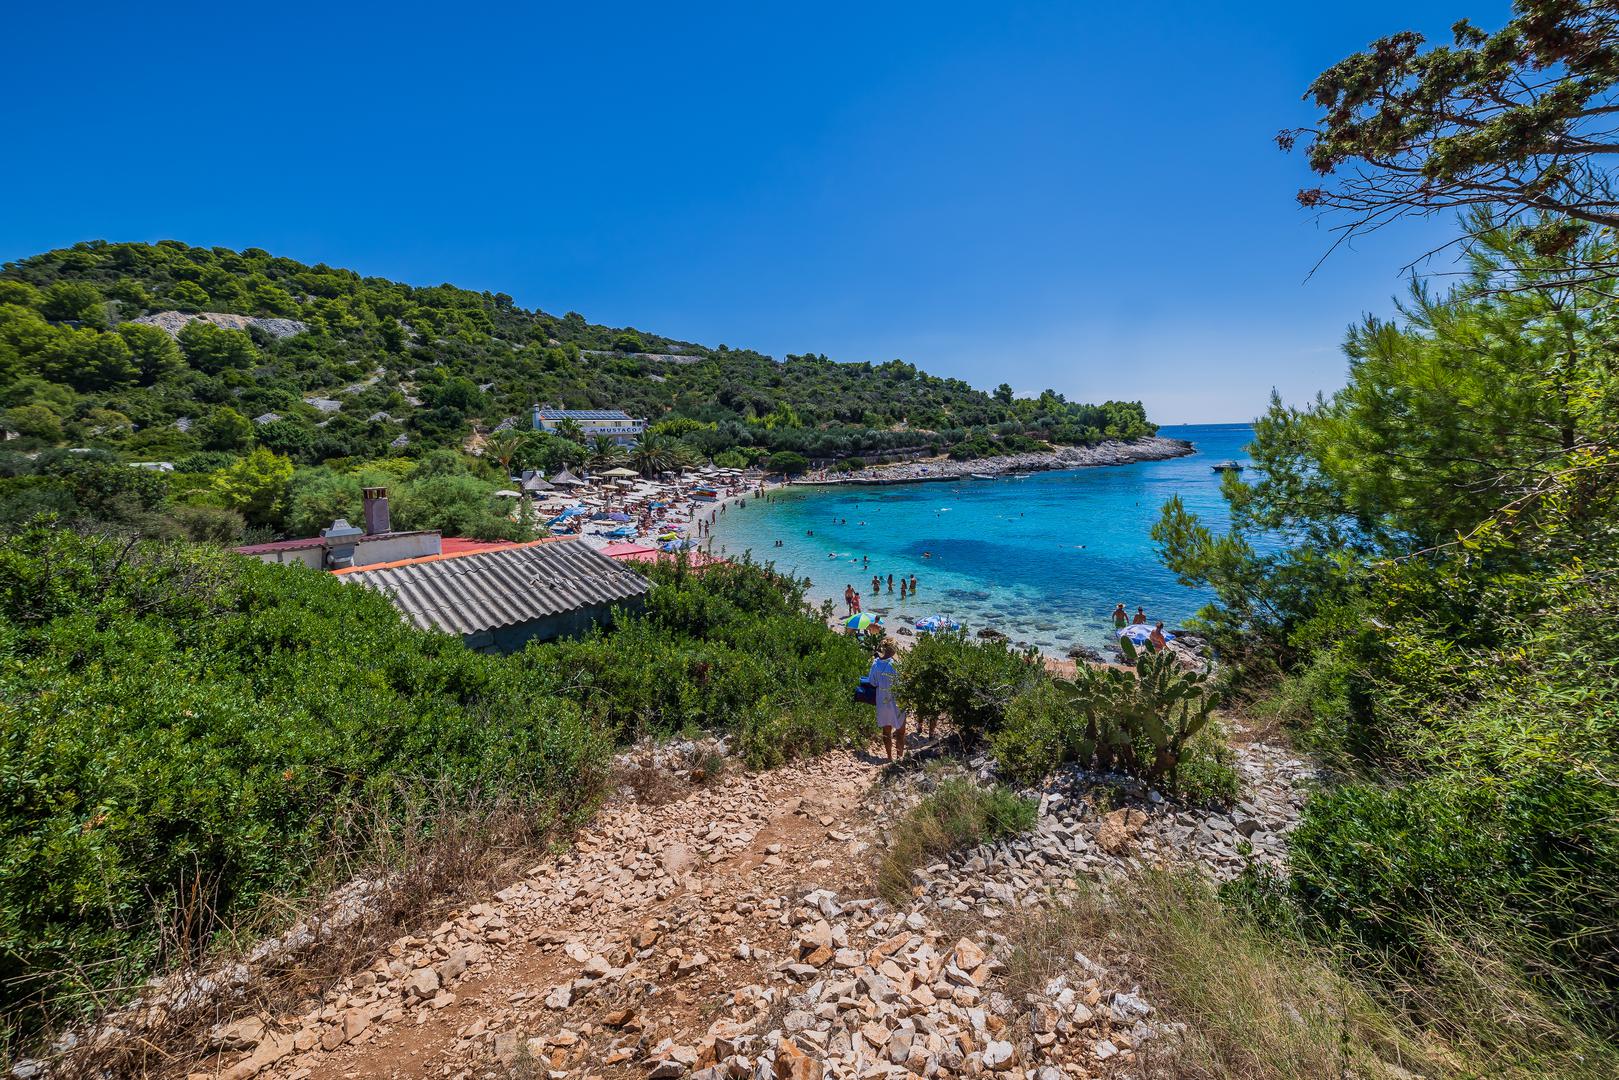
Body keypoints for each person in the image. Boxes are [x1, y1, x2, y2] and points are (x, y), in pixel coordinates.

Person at [869, 637, 907, 762]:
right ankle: (900, 757)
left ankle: (889, 757)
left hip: (882, 701)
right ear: (893, 650)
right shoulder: (897, 665)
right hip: (897, 701)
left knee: (886, 731)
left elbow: (872, 683)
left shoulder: (875, 664)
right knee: (900, 732)